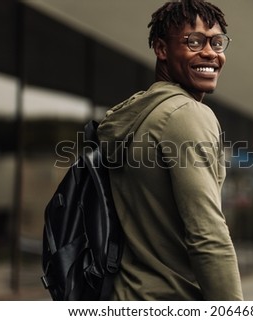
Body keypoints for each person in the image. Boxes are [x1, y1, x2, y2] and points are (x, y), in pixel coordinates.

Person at [97, 0, 243, 300]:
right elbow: (207, 234)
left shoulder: (141, 115)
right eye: (194, 41)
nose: (210, 53)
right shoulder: (186, 115)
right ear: (162, 50)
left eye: (217, 42)